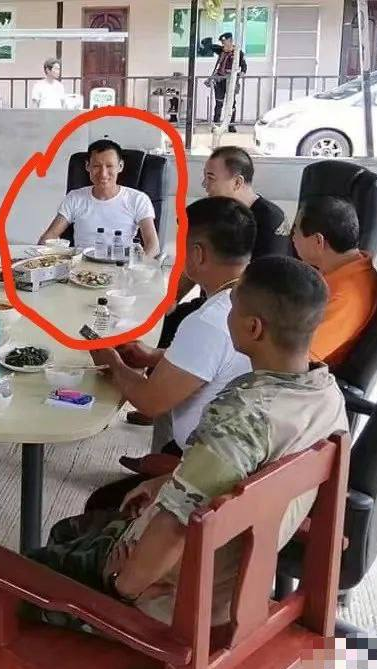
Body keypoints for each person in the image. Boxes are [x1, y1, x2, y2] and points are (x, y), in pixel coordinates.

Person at [0, 256, 347, 634]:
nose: (227, 314)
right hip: (224, 580)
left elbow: (175, 529)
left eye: (233, 307)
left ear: (253, 328)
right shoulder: (326, 397)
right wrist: (169, 482)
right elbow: (231, 484)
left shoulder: (242, 419)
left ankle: (57, 651)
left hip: (169, 603)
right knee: (70, 532)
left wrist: (121, 586)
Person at [87, 197, 255, 508]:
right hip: (242, 455)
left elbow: (150, 402)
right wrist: (155, 356)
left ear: (198, 254)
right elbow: (217, 361)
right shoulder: (256, 297)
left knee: (101, 504)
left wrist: (111, 360)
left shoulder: (208, 320)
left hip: (209, 472)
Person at [127, 147, 290, 428]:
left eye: (211, 178)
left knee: (191, 329)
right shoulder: (217, 214)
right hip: (214, 298)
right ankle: (164, 393)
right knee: (168, 322)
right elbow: (195, 264)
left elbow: (265, 285)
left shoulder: (270, 221)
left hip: (247, 310)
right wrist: (172, 299)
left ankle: (157, 399)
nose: (205, 185)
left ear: (237, 182)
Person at [292, 195, 377, 368]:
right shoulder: (346, 268)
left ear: (318, 241)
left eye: (296, 230)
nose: (292, 236)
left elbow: (297, 357)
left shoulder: (346, 297)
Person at [38, 139, 160, 257]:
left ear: (120, 166)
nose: (103, 174)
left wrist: (137, 267)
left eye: (109, 166)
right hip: (80, 266)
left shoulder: (138, 199)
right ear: (87, 166)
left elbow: (153, 246)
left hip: (121, 265)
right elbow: (49, 237)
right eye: (96, 166)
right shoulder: (74, 198)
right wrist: (41, 255)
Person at [206, 32, 247, 133]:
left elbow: (244, 66)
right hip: (220, 80)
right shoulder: (221, 50)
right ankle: (216, 125)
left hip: (231, 80)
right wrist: (221, 48)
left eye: (225, 42)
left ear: (230, 40)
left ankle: (231, 125)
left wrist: (241, 74)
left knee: (231, 103)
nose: (223, 44)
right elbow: (209, 46)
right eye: (222, 42)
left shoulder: (238, 52)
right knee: (219, 103)